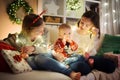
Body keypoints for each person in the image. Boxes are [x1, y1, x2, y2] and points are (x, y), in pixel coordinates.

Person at [3, 14, 81, 80]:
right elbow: (5, 45)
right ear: (27, 30)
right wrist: (24, 55)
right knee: (30, 61)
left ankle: (69, 71)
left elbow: (46, 48)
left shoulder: (45, 32)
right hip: (33, 60)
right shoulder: (19, 38)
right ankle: (56, 65)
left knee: (39, 58)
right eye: (38, 31)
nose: (42, 32)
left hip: (46, 54)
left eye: (43, 28)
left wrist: (34, 48)